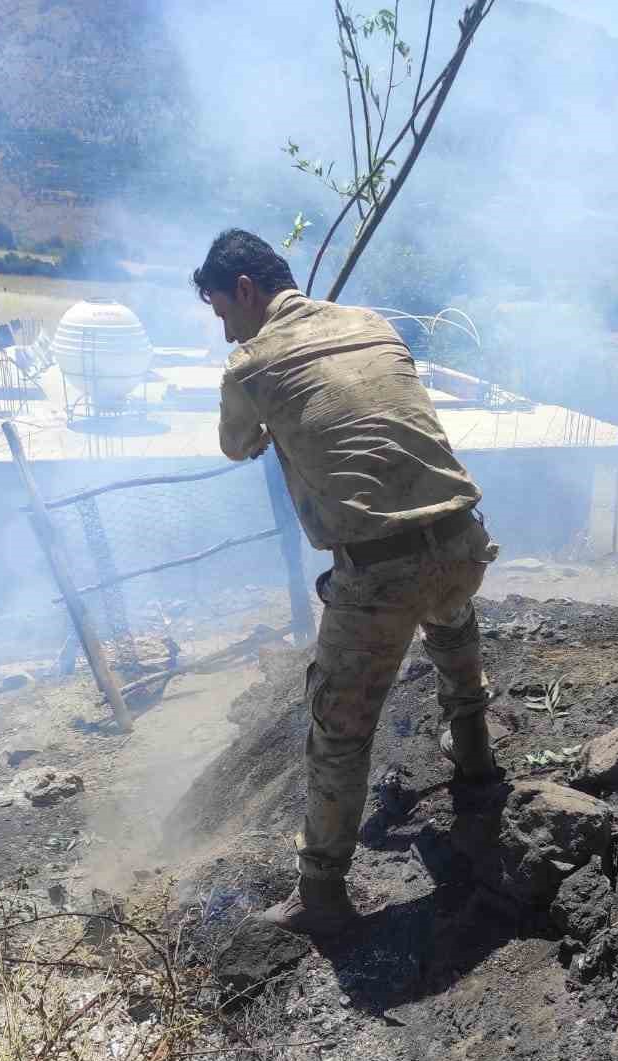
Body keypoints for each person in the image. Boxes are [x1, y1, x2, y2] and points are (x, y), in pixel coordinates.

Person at [193, 228, 499, 936]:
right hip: (464, 539)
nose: (222, 331)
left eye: (219, 313)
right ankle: (476, 762)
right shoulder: (370, 323)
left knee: (339, 732)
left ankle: (321, 892)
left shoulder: (249, 365)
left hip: (380, 573)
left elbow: (236, 445)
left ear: (244, 290)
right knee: (449, 617)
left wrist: (267, 415)